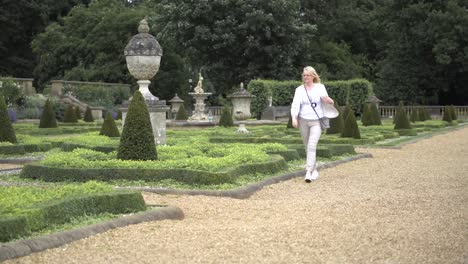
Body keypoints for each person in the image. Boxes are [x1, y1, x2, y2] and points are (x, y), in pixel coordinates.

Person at [291, 66, 334, 182]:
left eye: (308, 75)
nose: (306, 77)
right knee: (307, 147)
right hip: (303, 121)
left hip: (316, 121)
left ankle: (308, 172)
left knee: (311, 145)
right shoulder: (299, 90)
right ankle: (314, 169)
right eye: (304, 75)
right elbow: (295, 105)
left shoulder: (320, 88)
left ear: (313, 76)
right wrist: (294, 118)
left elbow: (328, 102)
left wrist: (331, 101)